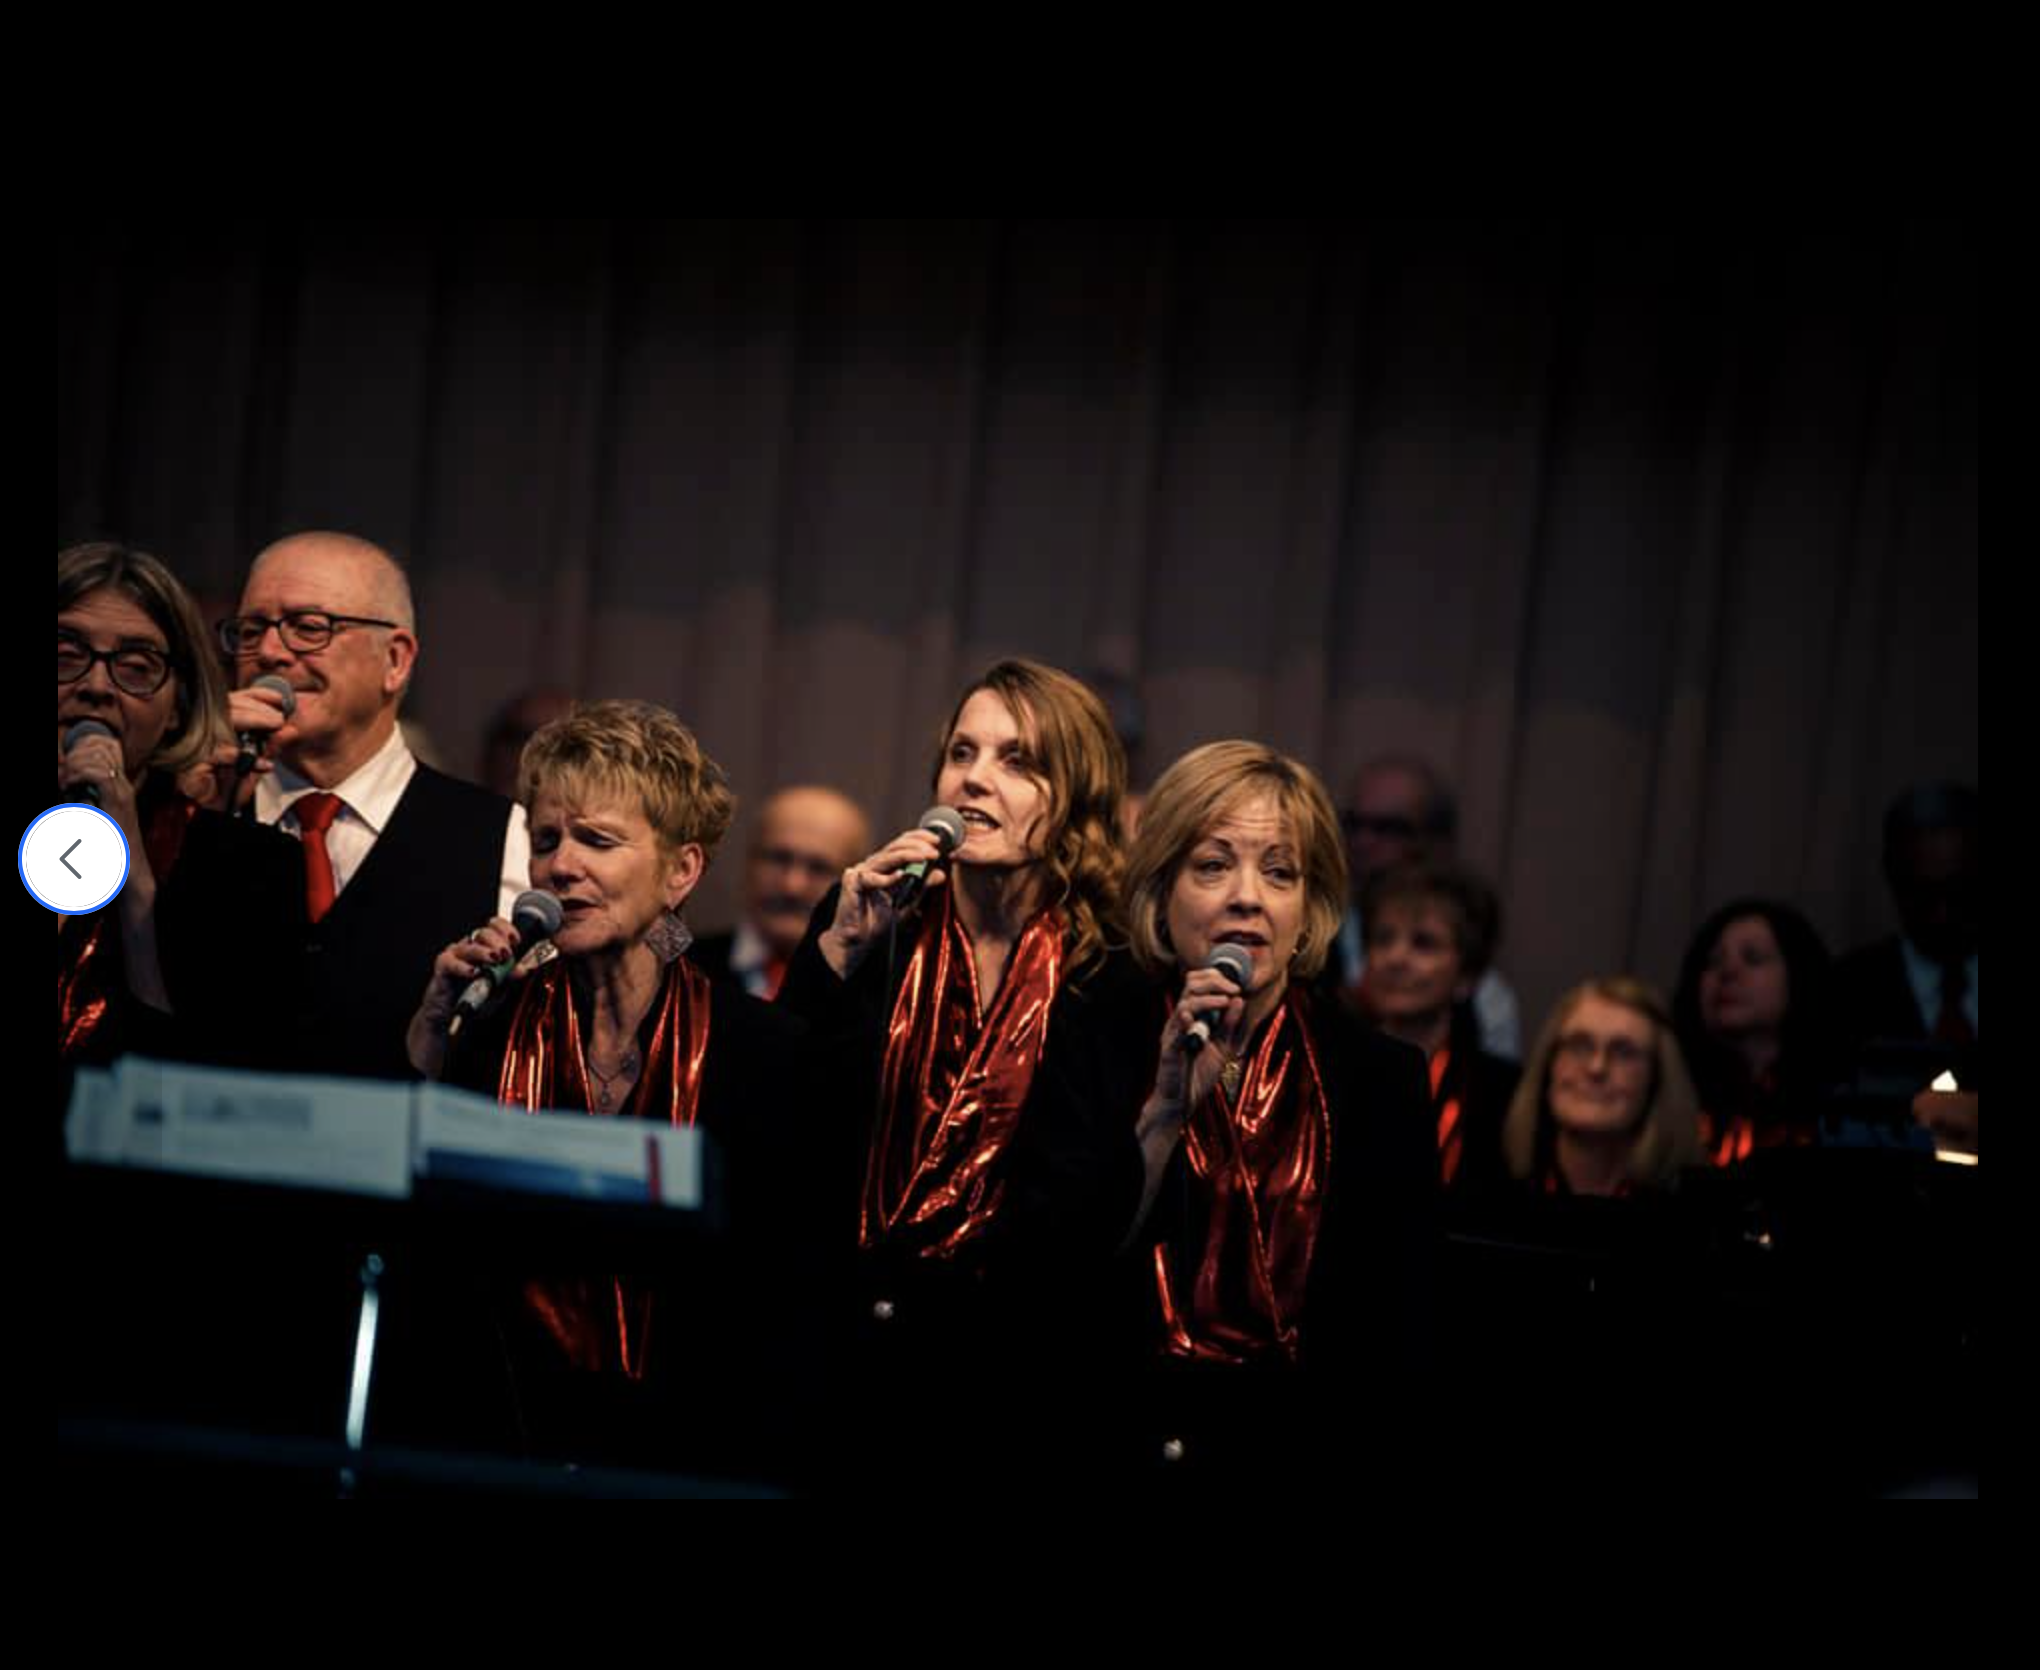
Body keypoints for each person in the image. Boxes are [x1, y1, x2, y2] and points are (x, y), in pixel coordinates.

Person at [778, 658, 1153, 1491]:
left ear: (1077, 796)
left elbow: (1092, 1205)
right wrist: (835, 956)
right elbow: (785, 1127)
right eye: (961, 752)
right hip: (841, 1361)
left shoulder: (1113, 975)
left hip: (1007, 1387)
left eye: (1018, 761)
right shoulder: (875, 919)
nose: (975, 779)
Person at [406, 699, 805, 1472]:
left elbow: (778, 1303)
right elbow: (431, 1259)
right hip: (493, 1449)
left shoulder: (763, 1053)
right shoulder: (487, 1027)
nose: (561, 866)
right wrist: (431, 1035)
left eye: (597, 840)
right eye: (546, 840)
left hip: (684, 1464)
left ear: (681, 871)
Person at [1121, 740, 1436, 1491]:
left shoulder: (1381, 1078)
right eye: (1212, 866)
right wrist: (1164, 1113)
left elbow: (1398, 1334)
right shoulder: (1095, 1035)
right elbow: (1054, 1269)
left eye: (1280, 872)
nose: (1248, 897)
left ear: (1311, 908)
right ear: (1161, 893)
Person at [216, 530, 528, 1080]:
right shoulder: (200, 814)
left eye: (308, 627)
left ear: (395, 660)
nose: (269, 652)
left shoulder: (503, 836)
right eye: (251, 629)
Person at [57, 541, 303, 1088]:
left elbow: (202, 1087)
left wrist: (133, 875)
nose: (95, 687)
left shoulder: (249, 869)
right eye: (66, 656)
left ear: (178, 708)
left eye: (135, 668)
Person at [1332, 754, 1522, 1058]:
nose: (1363, 842)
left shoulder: (1490, 1005)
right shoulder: (1314, 941)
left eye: (1388, 828)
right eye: (1354, 824)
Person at [1353, 858, 1519, 1194]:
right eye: (1383, 939)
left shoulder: (1503, 1096)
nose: (1396, 958)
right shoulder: (1327, 1066)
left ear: (1467, 976)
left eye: (1423, 943)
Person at [1673, 899, 1839, 1164]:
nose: (1727, 972)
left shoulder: (1838, 1105)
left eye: (1753, 958)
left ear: (1798, 976)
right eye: (1713, 961)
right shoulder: (1669, 1098)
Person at [1501, 978, 1700, 1196]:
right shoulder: (1490, 1180)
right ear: (1549, 1063)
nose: (1597, 1067)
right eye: (1579, 1045)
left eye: (1623, 1052)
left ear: (1657, 1078)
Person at [690, 785, 869, 998]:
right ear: (749, 862)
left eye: (818, 868)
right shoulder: (681, 971)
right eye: (778, 859)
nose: (792, 887)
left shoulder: (874, 995)